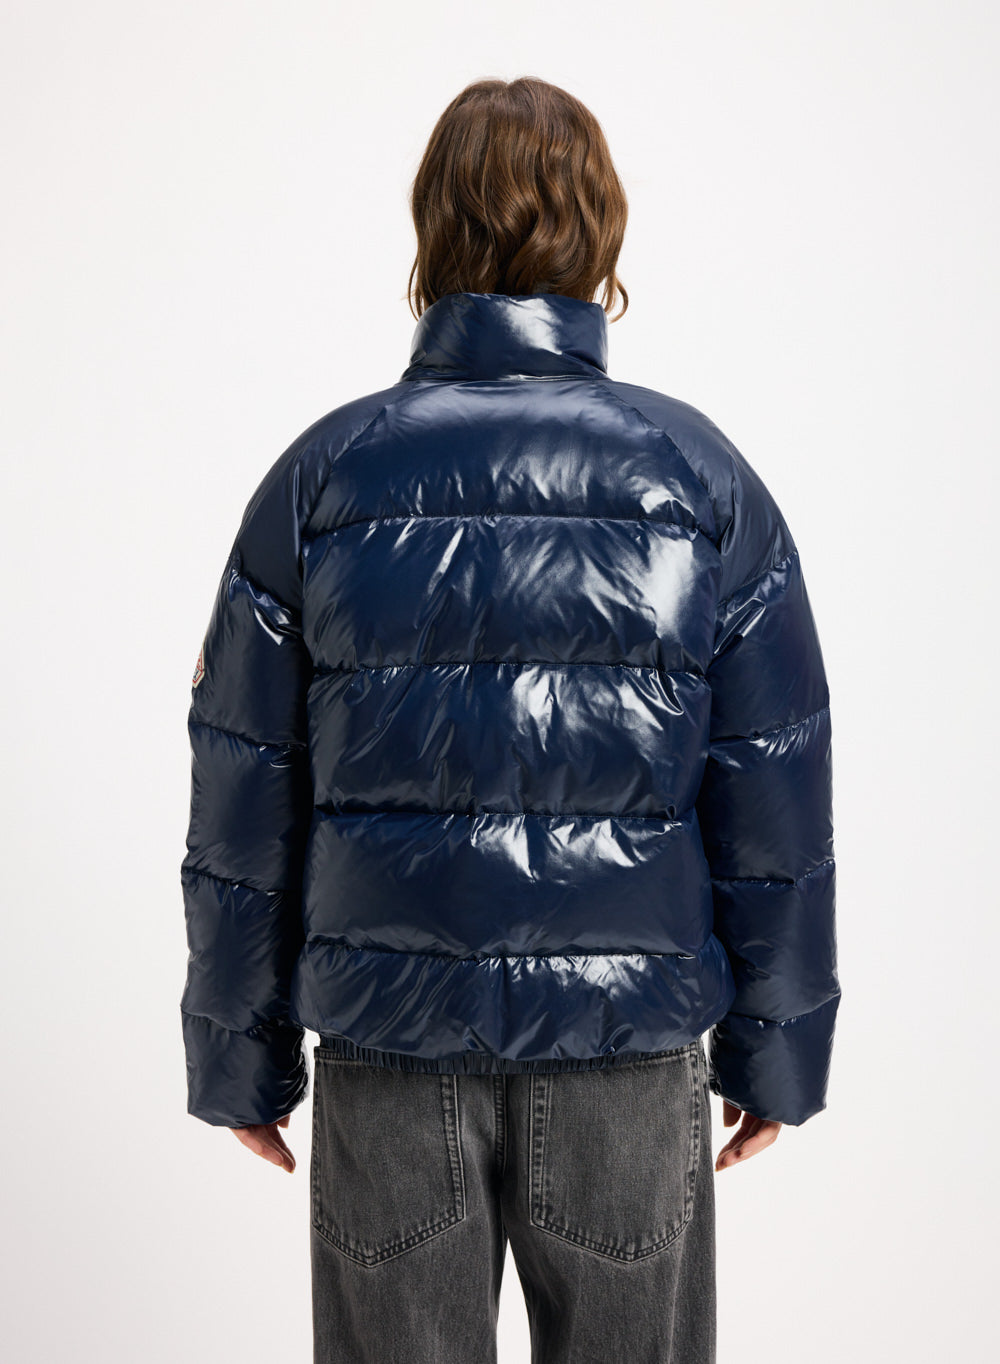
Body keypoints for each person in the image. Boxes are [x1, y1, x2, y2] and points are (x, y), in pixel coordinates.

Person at [179, 75, 840, 1364]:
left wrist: (236, 1053)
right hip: (628, 1056)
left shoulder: (323, 479)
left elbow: (245, 791)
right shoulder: (698, 480)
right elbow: (773, 790)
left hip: (388, 1050)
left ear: (430, 232)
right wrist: (778, 1049)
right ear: (603, 235)